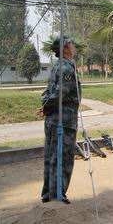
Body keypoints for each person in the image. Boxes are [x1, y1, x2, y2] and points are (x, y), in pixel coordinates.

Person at [38, 36, 81, 204]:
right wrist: (47, 106)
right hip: (63, 120)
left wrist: (45, 106)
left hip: (54, 119)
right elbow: (59, 94)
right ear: (65, 48)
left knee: (51, 156)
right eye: (71, 43)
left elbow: (49, 93)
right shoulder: (66, 68)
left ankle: (49, 194)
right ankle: (57, 195)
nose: (74, 45)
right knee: (62, 156)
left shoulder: (58, 66)